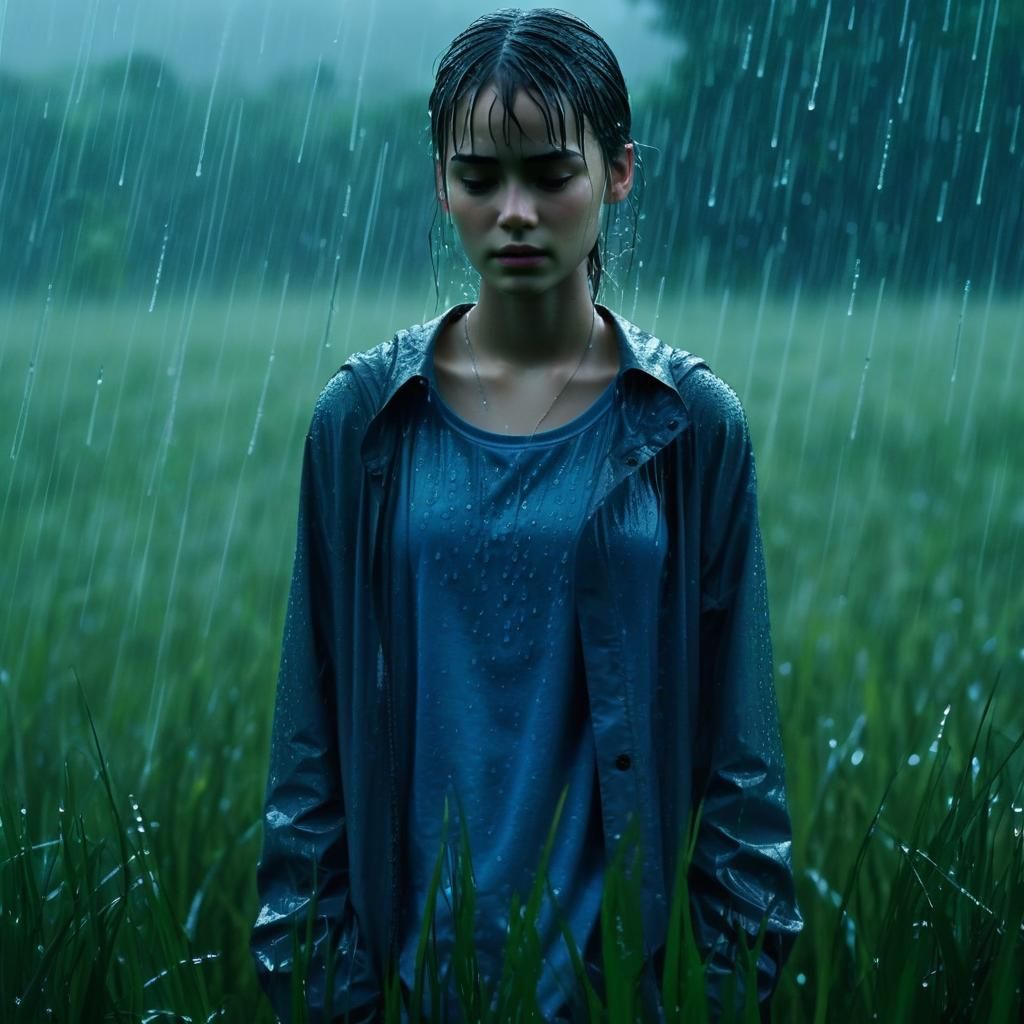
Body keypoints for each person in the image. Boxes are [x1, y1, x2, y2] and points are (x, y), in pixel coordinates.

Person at [250, 8, 803, 1024]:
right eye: (480, 177)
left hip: (623, 995)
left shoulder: (687, 425)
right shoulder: (364, 423)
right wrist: (327, 997)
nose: (515, 210)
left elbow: (741, 766)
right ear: (440, 184)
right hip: (406, 994)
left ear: (619, 172)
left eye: (551, 175)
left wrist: (720, 994)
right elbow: (308, 751)